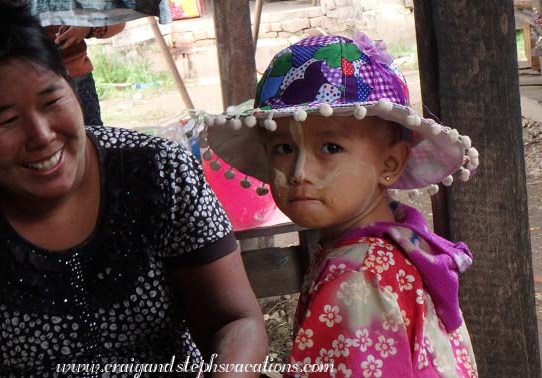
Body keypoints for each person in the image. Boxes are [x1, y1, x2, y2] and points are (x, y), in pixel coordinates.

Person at [0, 1, 267, 376]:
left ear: (73, 90)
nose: (42, 136)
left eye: (52, 101)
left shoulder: (159, 172)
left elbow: (235, 321)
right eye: (7, 121)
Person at [204, 33, 480, 377]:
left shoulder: (357, 277)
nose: (300, 172)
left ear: (390, 164)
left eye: (331, 148)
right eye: (283, 149)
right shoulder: (397, 241)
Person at [44, 23, 126, 126]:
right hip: (27, 86)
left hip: (78, 80)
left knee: (90, 135)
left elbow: (118, 22)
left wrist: (88, 28)